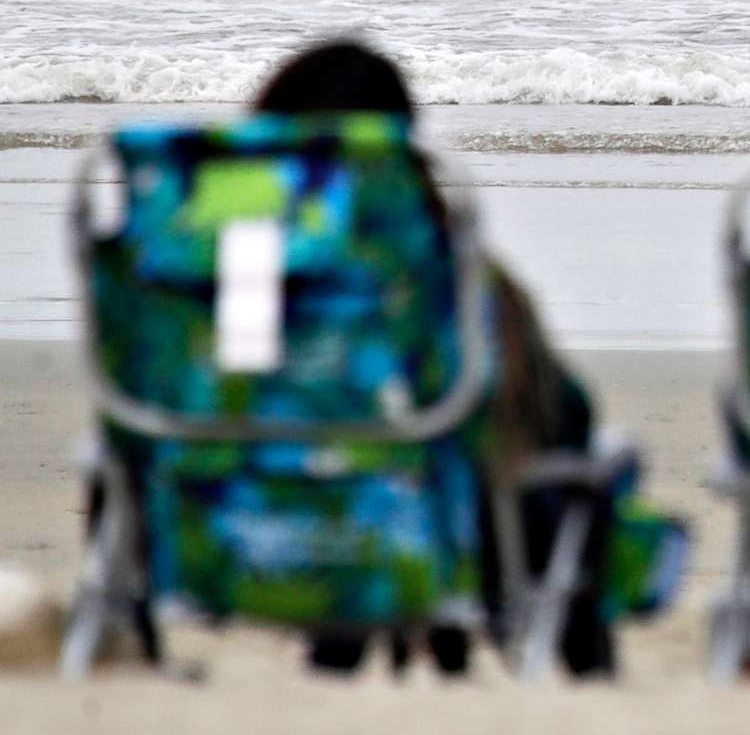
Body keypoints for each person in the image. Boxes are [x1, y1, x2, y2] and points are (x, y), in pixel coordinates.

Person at [252, 40, 610, 675]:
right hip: (421, 519)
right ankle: (584, 664)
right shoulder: (433, 271)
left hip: (249, 510)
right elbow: (565, 410)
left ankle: (340, 645)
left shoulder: (210, 263)